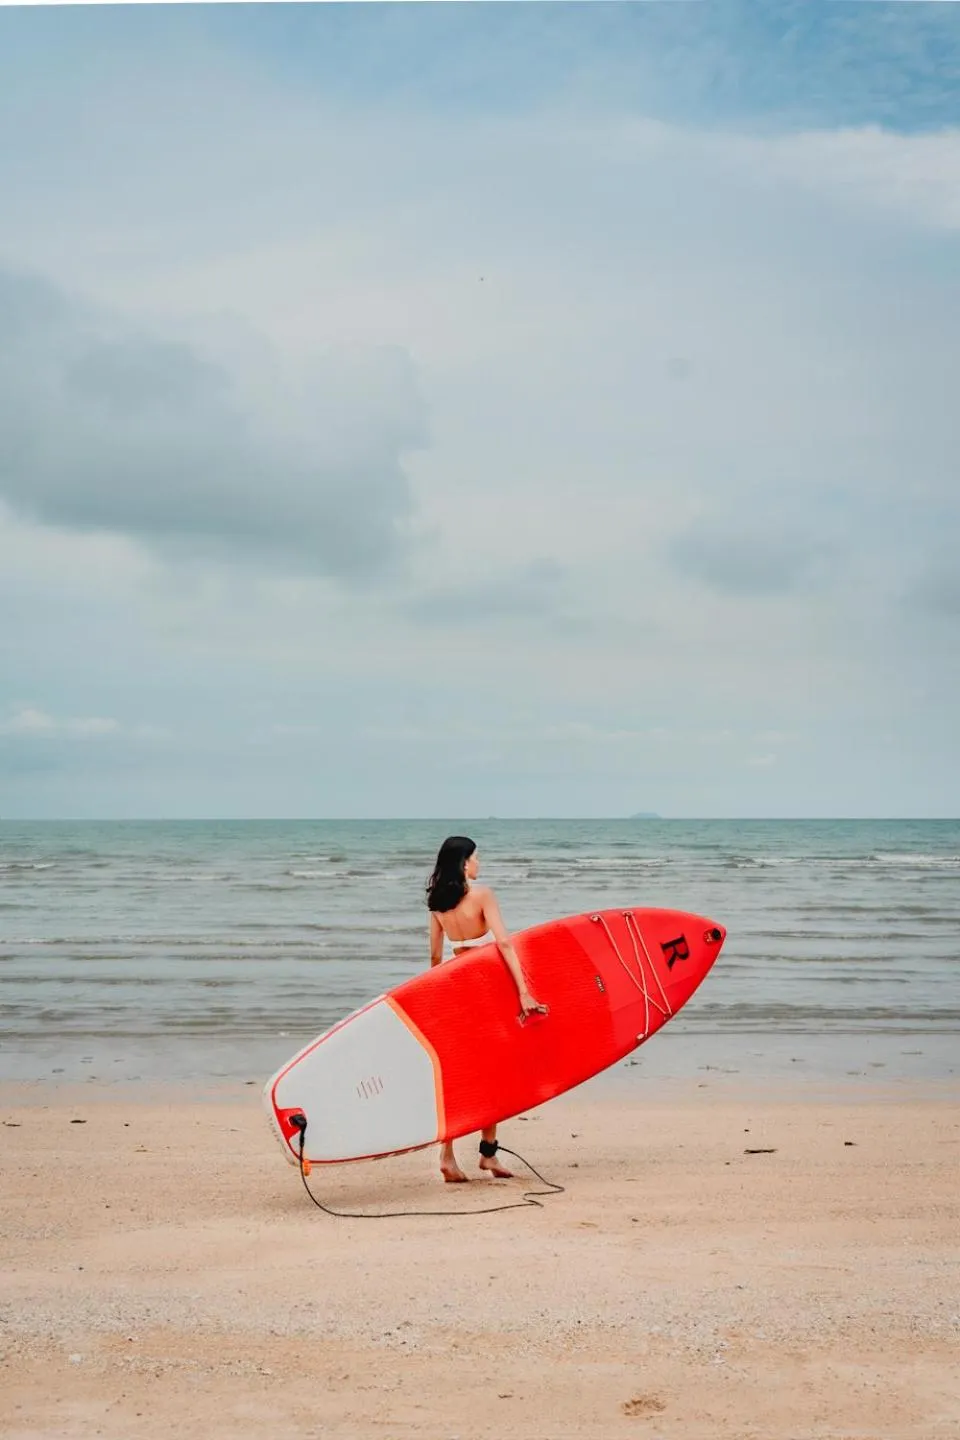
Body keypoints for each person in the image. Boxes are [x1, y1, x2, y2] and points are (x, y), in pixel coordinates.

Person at [425, 834, 546, 1184]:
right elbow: (504, 942)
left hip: (455, 990)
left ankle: (448, 1156)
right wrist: (524, 992)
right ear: (465, 863)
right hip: (486, 989)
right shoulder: (482, 896)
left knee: (460, 1073)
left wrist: (436, 1001)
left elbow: (435, 958)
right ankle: (487, 1154)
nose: (479, 864)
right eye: (476, 858)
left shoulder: (437, 903)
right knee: (495, 1071)